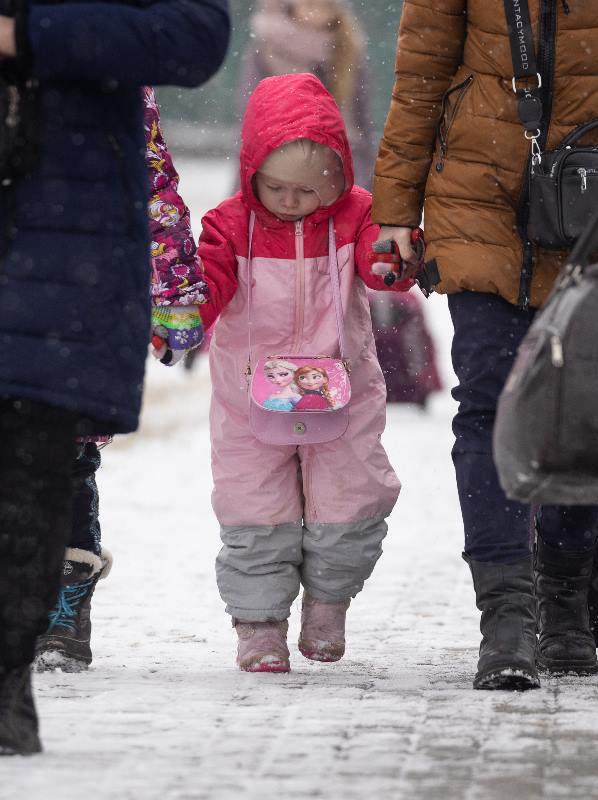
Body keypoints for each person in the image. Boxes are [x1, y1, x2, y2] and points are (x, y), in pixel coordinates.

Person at [0, 0, 229, 756]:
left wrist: (175, 296)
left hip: (63, 255)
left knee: (46, 468)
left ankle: (32, 641)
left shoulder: (118, 83)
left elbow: (159, 191)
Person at [372, 1, 598, 690]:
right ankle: (506, 614)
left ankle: (565, 593)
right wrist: (394, 208)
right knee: (490, 405)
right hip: (479, 200)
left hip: (591, 199)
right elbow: (421, 77)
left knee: (585, 404)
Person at [198, 73, 402, 673]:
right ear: (251, 171)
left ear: (339, 179)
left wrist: (391, 260)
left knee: (350, 498)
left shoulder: (358, 216)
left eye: (310, 190)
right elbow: (209, 280)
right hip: (249, 396)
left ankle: (328, 605)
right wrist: (185, 311)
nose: (290, 201)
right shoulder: (230, 225)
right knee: (254, 505)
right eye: (277, 187)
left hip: (343, 392)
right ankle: (259, 627)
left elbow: (376, 259)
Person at [33, 86, 208, 673]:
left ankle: (64, 603)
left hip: (84, 291)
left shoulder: (111, 59)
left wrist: (175, 290)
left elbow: (151, 178)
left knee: (71, 454)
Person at [236, 0, 375, 190]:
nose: (317, 12)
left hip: (341, 168)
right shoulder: (268, 49)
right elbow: (252, 113)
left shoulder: (349, 48)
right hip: (277, 167)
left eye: (325, 6)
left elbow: (361, 119)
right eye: (310, 4)